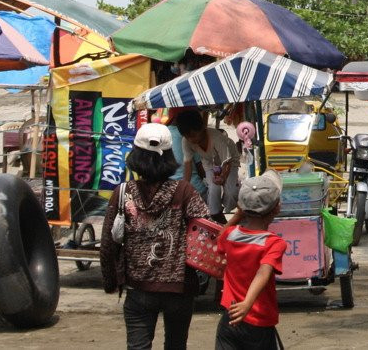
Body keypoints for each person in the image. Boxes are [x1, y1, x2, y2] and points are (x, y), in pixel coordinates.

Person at [100, 123, 210, 350]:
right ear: (169, 157)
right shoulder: (185, 191)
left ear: (135, 157)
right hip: (179, 289)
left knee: (138, 347)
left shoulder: (123, 193)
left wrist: (111, 282)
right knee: (176, 345)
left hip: (138, 289)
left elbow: (108, 243)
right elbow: (206, 232)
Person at [216, 170, 286, 350]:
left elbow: (219, 237)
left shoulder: (230, 235)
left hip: (230, 317)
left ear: (241, 206)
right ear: (277, 208)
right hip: (258, 320)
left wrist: (237, 215)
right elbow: (263, 272)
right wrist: (247, 303)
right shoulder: (274, 243)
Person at [175, 109, 240, 223]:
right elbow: (188, 164)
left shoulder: (216, 137)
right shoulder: (186, 141)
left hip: (230, 161)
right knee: (214, 189)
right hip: (210, 162)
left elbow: (227, 162)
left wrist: (223, 177)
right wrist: (184, 187)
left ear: (202, 128)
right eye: (187, 136)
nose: (191, 139)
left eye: (193, 135)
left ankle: (231, 201)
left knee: (230, 191)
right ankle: (215, 215)